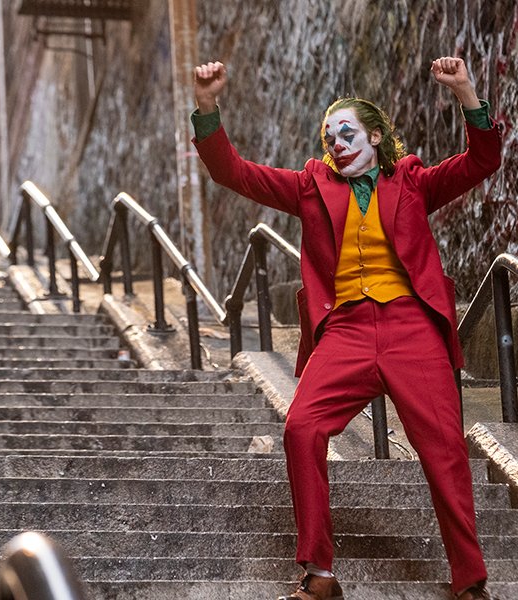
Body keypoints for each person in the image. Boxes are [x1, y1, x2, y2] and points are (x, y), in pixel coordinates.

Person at [191, 56, 501, 600]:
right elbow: (232, 172)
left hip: (412, 328)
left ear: (375, 136)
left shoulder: (412, 182)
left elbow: (481, 162)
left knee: (444, 447)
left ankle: (469, 581)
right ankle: (320, 574)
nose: (336, 143)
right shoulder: (311, 186)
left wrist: (467, 94)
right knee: (302, 428)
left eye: (347, 132)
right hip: (347, 331)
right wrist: (208, 106)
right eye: (329, 137)